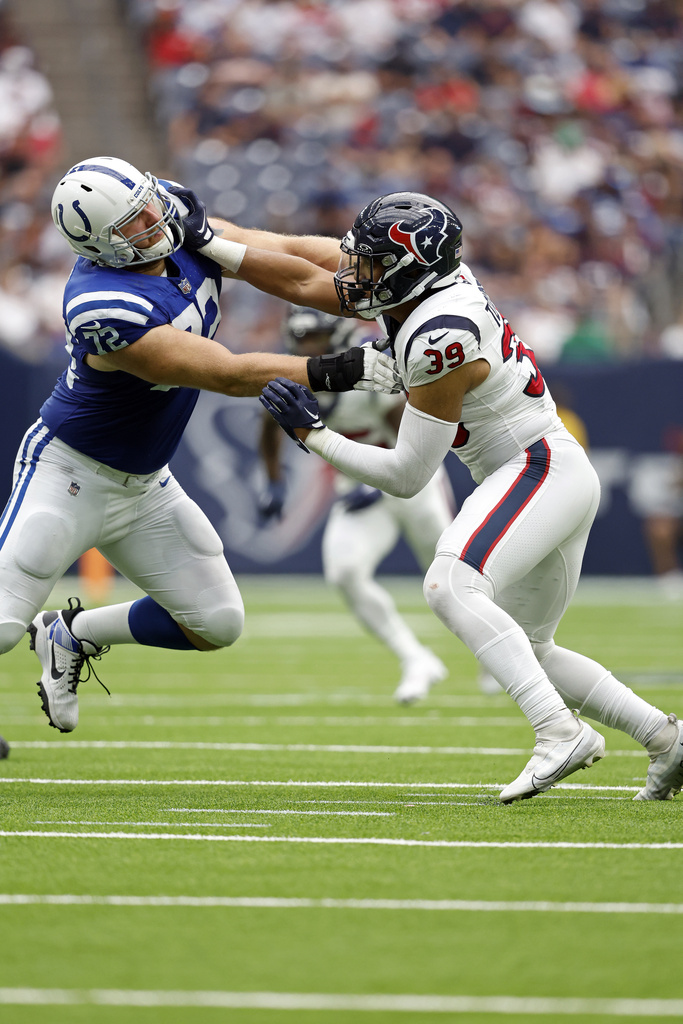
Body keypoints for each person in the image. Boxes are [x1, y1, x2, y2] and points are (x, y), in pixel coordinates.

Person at [191, 189, 683, 803]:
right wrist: (205, 234)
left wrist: (311, 436)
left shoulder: (438, 336)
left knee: (449, 583)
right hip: (547, 470)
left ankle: (559, 731)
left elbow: (406, 475)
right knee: (530, 649)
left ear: (408, 266)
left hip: (535, 468)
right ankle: (666, 740)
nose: (354, 274)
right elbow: (296, 261)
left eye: (370, 263)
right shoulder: (426, 285)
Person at [0, 156, 398, 734]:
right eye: (134, 225)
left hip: (145, 484)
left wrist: (381, 270)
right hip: (70, 474)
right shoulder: (102, 305)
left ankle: (70, 634)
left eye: (148, 207)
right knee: (3, 626)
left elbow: (279, 253)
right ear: (101, 247)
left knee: (215, 622)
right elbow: (228, 374)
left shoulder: (172, 217)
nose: (154, 223)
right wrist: (340, 368)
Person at [260, 304, 454, 704]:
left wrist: (382, 479)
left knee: (449, 574)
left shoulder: (368, 365)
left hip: (412, 479)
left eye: (316, 338)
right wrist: (273, 481)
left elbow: (411, 440)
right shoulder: (295, 372)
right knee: (345, 571)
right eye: (302, 340)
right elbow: (269, 422)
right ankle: (414, 658)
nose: (309, 348)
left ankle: (500, 659)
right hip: (359, 489)